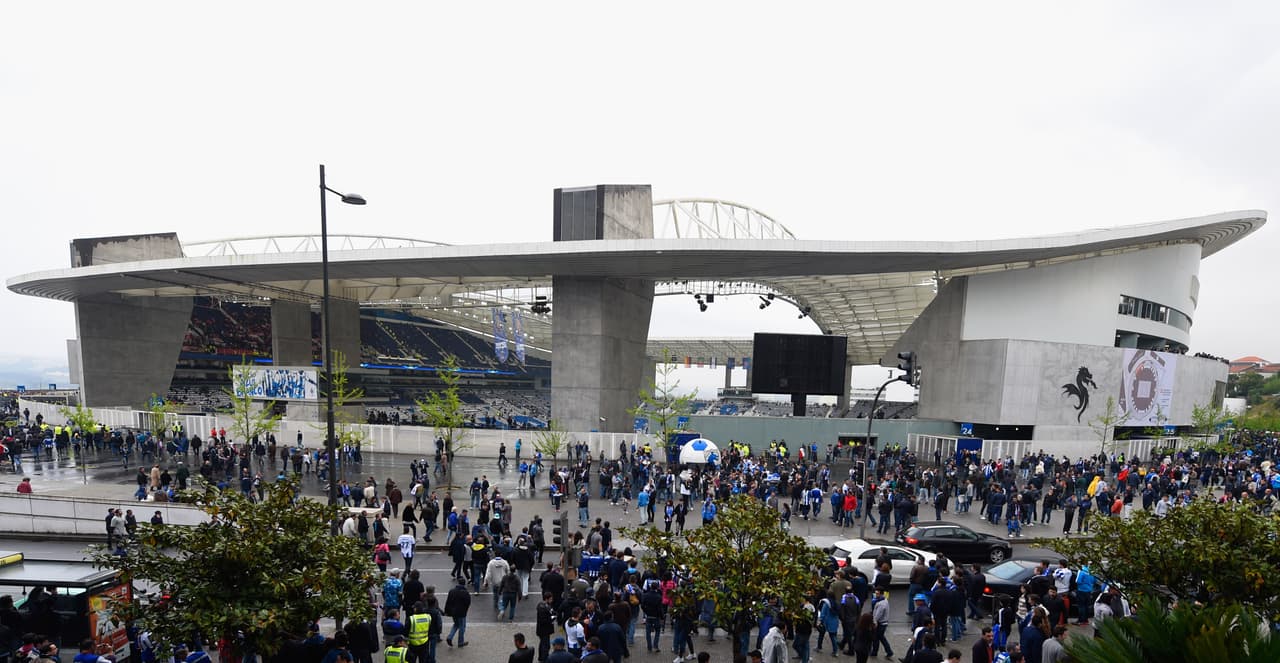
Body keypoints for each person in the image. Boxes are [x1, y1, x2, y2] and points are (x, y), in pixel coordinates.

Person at [445, 576, 471, 647]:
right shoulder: (465, 593)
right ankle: (460, 642)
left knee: (456, 624)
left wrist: (447, 611)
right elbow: (468, 603)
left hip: (453, 612)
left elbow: (448, 602)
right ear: (464, 584)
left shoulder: (452, 591)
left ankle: (450, 637)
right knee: (462, 627)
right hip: (462, 613)